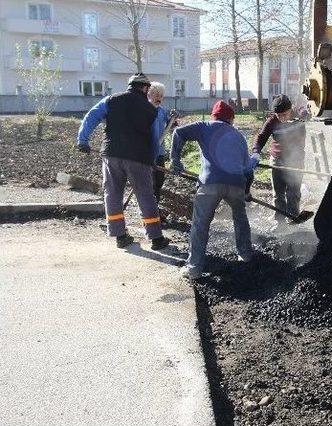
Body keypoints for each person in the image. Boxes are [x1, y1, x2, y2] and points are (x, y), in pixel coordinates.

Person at [77, 73, 170, 250]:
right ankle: (156, 239)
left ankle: (120, 236)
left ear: (130, 85)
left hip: (111, 155)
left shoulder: (111, 100)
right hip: (138, 158)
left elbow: (91, 116)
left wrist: (83, 140)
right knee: (146, 196)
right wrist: (153, 158)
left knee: (112, 195)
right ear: (145, 88)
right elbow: (155, 137)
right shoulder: (152, 110)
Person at [171, 100, 259, 279]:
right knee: (240, 218)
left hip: (210, 183)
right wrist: (246, 191)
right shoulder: (239, 136)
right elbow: (248, 169)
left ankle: (194, 268)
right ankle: (245, 255)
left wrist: (175, 160)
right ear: (231, 119)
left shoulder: (204, 126)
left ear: (214, 116)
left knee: (200, 224)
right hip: (236, 184)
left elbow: (178, 133)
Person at [252, 94, 306, 229]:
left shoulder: (299, 116)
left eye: (285, 114)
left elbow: (308, 111)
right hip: (277, 161)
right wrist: (255, 152)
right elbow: (261, 137)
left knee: (293, 193)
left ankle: (293, 220)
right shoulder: (272, 121)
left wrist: (306, 113)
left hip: (296, 161)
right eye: (278, 115)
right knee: (279, 194)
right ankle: (280, 221)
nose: (282, 118)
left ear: (291, 109)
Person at [148, 81, 177, 206]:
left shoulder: (162, 111)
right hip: (146, 152)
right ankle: (148, 211)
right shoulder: (144, 110)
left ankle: (155, 209)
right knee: (148, 183)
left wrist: (173, 120)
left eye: (161, 95)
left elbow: (170, 127)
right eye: (156, 94)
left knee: (159, 181)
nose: (159, 98)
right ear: (149, 94)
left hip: (159, 152)